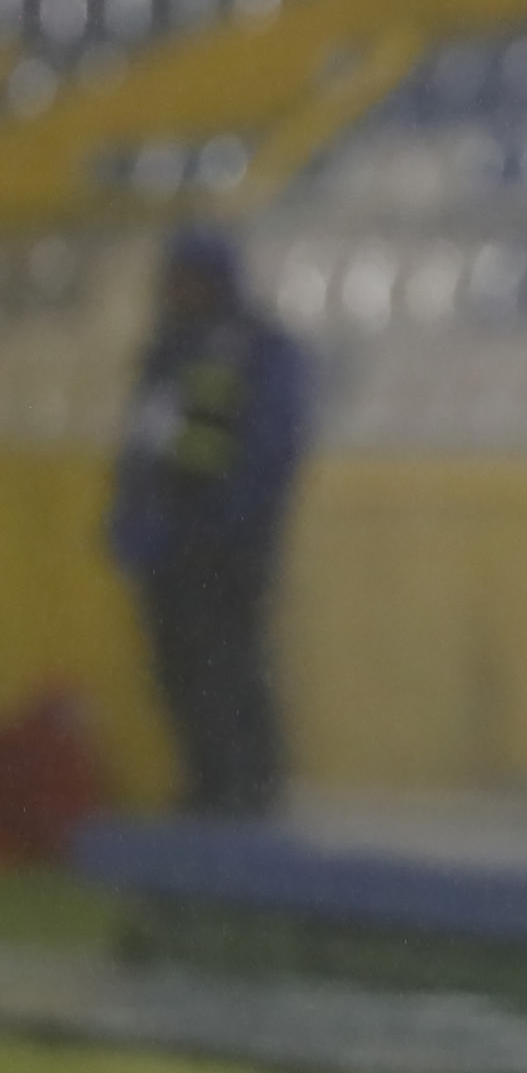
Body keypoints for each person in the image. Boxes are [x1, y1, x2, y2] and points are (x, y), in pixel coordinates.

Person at [108, 225, 307, 817]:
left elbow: (268, 445)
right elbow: (146, 446)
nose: (177, 291)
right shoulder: (167, 352)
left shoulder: (257, 349)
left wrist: (232, 521)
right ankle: (207, 783)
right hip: (168, 545)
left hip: (227, 543)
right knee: (177, 668)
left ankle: (248, 787)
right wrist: (133, 516)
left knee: (228, 662)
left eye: (188, 279)